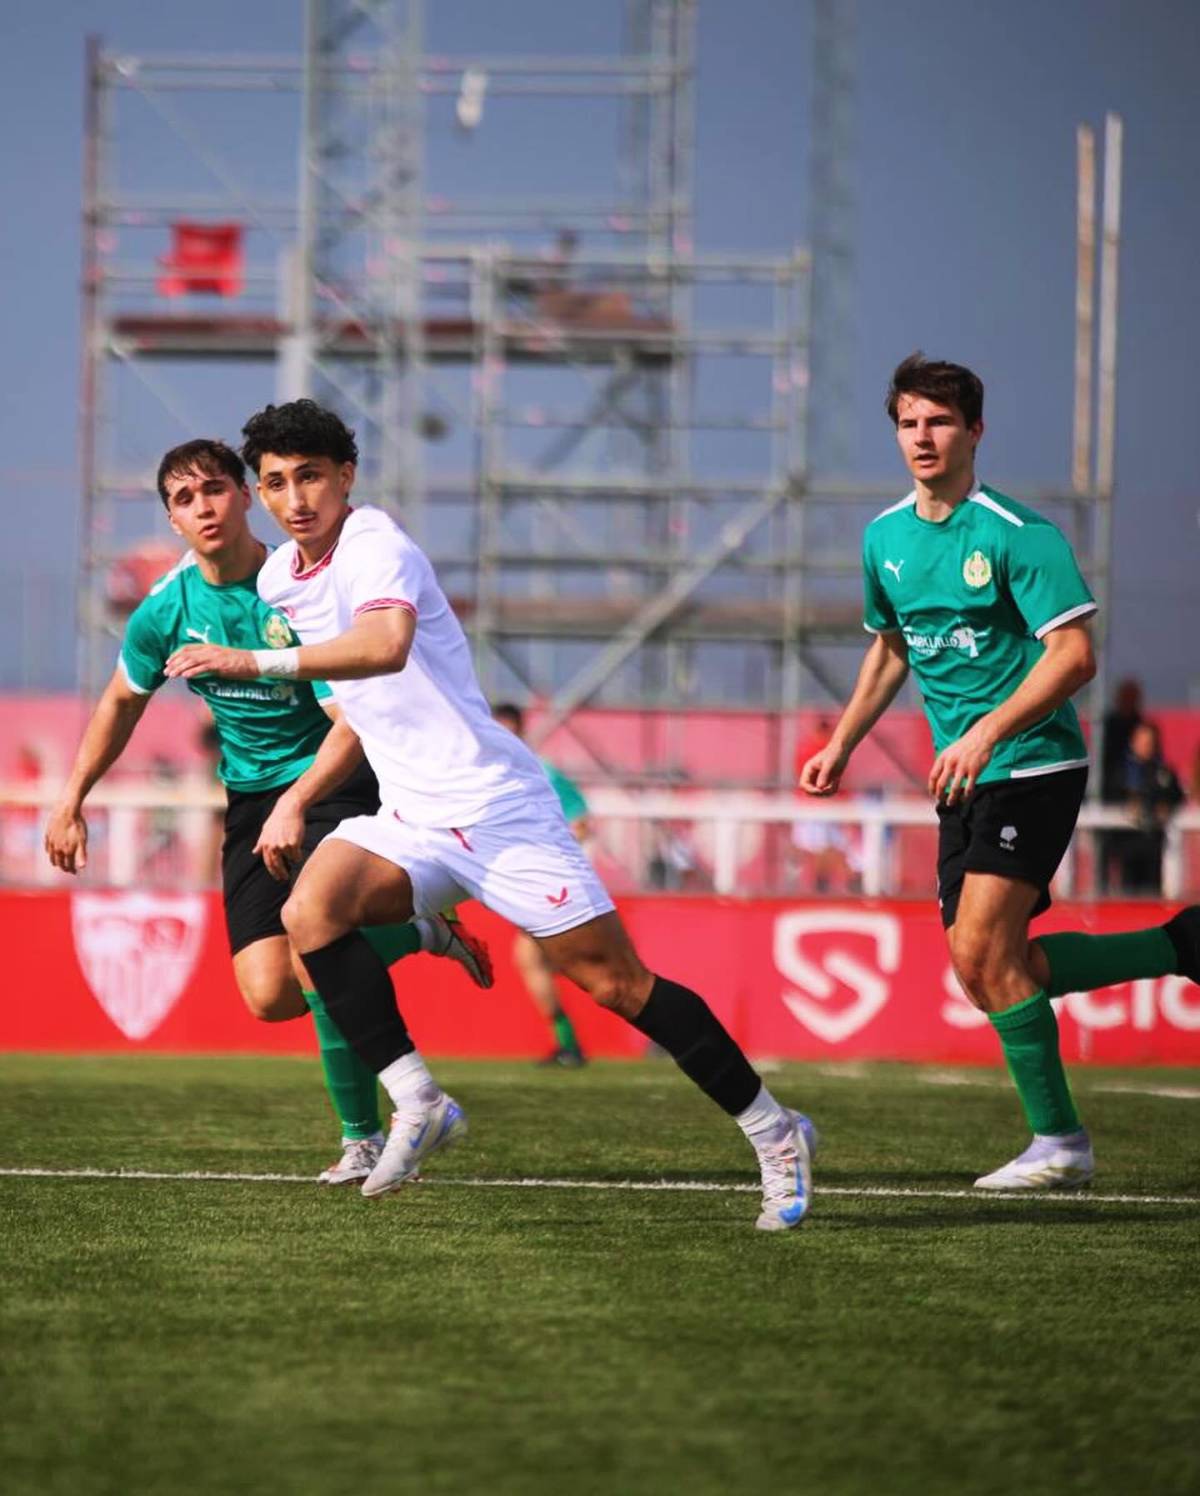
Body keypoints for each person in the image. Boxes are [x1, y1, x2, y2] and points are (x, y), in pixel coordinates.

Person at [165, 399, 817, 1232]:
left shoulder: (376, 545)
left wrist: (253, 660)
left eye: (312, 477)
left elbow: (385, 648)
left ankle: (776, 1133)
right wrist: (295, 798)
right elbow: (352, 705)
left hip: (495, 807)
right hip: (409, 815)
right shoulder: (278, 579)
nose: (296, 499)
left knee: (615, 984)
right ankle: (420, 1100)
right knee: (309, 913)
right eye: (277, 483)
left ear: (346, 477)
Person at [799, 353, 1199, 1191]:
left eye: (939, 421)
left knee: (984, 949)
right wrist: (843, 743)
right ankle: (1179, 944)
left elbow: (1075, 655)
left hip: (1035, 762)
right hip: (962, 776)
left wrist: (984, 732)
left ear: (975, 430)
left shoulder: (1018, 534)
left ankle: (1061, 1144)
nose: (922, 437)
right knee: (987, 971)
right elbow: (892, 648)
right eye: (908, 422)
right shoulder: (884, 538)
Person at [46, 439, 493, 1186]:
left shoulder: (298, 587)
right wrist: (71, 801)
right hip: (252, 800)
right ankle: (422, 933)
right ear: (172, 519)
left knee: (315, 942)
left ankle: (362, 1138)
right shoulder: (165, 611)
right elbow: (122, 700)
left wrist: (298, 800)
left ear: (245, 496)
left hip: (336, 779)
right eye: (185, 500)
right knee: (269, 994)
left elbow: (352, 722)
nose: (204, 508)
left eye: (215, 489)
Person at [493, 702, 588, 1068]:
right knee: (542, 959)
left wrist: (548, 854)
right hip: (527, 879)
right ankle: (568, 1045)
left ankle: (569, 1045)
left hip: (551, 879)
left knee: (536, 957)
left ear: (520, 731)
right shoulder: (489, 774)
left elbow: (581, 822)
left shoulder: (540, 771)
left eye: (506, 729)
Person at [1117, 721, 1184, 894]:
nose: (1146, 747)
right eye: (1142, 742)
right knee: (1126, 896)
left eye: (1150, 742)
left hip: (1155, 845)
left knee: (1154, 894)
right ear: (1133, 742)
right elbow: (1110, 797)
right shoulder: (1121, 772)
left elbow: (1177, 796)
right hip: (1127, 845)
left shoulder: (1164, 771)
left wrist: (1166, 805)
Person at [1097, 678, 1146, 893]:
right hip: (1110, 796)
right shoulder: (1108, 726)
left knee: (1132, 858)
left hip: (1134, 805)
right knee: (1104, 853)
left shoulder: (1140, 724)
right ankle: (1102, 889)